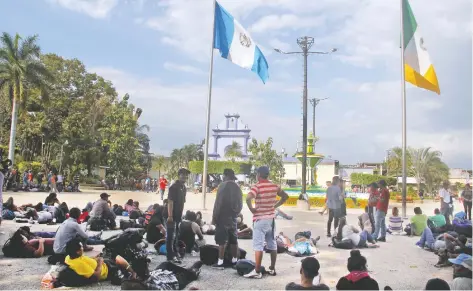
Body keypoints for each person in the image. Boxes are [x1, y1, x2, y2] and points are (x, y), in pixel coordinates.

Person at [244, 166, 289, 279]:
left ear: (258, 175)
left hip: (260, 220)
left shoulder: (257, 186)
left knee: (258, 245)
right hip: (271, 220)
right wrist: (275, 206)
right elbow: (285, 196)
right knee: (272, 244)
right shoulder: (274, 186)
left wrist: (251, 209)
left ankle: (257, 271)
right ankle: (272, 269)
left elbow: (248, 198)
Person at [211, 168, 243, 269]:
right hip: (233, 217)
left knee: (222, 240)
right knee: (233, 240)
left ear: (225, 175)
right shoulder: (237, 187)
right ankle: (234, 261)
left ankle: (220, 262)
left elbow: (218, 203)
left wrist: (214, 217)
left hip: (222, 216)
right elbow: (241, 204)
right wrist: (235, 213)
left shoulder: (222, 186)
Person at [64, 239, 136, 283]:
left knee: (115, 253)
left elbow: (84, 259)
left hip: (102, 263)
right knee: (118, 257)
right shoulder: (79, 264)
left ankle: (130, 267)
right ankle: (133, 273)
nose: (83, 248)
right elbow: (96, 277)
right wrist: (100, 262)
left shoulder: (69, 257)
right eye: (81, 247)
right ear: (77, 251)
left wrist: (96, 258)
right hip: (107, 270)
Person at [166, 168, 190, 264]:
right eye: (182, 174)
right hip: (170, 215)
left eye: (186, 175)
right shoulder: (174, 187)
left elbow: (182, 203)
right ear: (179, 175)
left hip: (178, 216)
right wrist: (170, 216)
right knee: (170, 236)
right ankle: (170, 257)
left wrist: (180, 216)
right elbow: (170, 202)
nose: (184, 176)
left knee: (175, 236)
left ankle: (175, 253)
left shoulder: (183, 188)